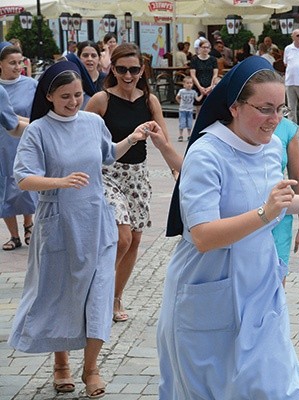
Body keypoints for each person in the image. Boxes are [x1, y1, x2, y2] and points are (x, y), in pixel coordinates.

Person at [159, 56, 299, 399]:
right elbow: (203, 236)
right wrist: (264, 214)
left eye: (280, 109)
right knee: (211, 390)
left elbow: (277, 201)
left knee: (279, 387)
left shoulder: (272, 146)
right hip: (208, 283)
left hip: (260, 286)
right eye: (265, 109)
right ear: (235, 106)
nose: (275, 120)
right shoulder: (207, 154)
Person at [8, 61, 154, 399]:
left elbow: (107, 155)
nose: (74, 102)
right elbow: (23, 176)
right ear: (49, 97)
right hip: (57, 223)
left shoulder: (92, 122)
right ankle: (61, 364)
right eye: (65, 97)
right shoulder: (38, 131)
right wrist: (59, 181)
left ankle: (92, 368)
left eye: (77, 95)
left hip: (96, 221)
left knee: (99, 295)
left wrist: (131, 138)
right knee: (61, 294)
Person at [85, 43, 182, 323]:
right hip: (107, 174)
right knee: (122, 237)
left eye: (134, 69)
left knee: (136, 239)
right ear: (112, 69)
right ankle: (97, 288)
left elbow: (163, 142)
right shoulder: (100, 100)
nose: (128, 75)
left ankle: (115, 297)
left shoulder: (149, 101)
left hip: (137, 176)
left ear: (142, 70)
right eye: (122, 69)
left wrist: (178, 173)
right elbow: (83, 139)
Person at [0, 42, 37, 251]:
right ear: (1, 64)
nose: (17, 67)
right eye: (12, 63)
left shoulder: (30, 84)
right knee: (4, 188)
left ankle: (28, 224)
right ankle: (13, 235)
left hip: (24, 139)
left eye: (19, 62)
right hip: (2, 143)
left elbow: (38, 114)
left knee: (25, 182)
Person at [272, 117, 299, 286]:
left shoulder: (287, 128)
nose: (275, 114)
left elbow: (297, 179)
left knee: (277, 282)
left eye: (281, 107)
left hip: (279, 218)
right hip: (246, 213)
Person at [189, 39, 219, 111]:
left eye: (207, 47)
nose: (205, 49)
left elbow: (215, 74)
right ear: (199, 48)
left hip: (210, 86)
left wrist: (211, 86)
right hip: (198, 85)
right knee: (199, 110)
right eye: (203, 47)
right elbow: (193, 75)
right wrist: (200, 87)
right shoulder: (194, 59)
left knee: (211, 109)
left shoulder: (213, 59)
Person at [175, 76, 202, 142]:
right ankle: (180, 135)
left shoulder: (193, 92)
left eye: (191, 83)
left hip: (190, 110)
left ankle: (189, 135)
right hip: (182, 110)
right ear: (184, 84)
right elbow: (177, 97)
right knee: (182, 123)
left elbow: (198, 99)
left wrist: (202, 94)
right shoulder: (181, 91)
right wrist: (180, 103)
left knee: (189, 123)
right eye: (187, 83)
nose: (189, 84)